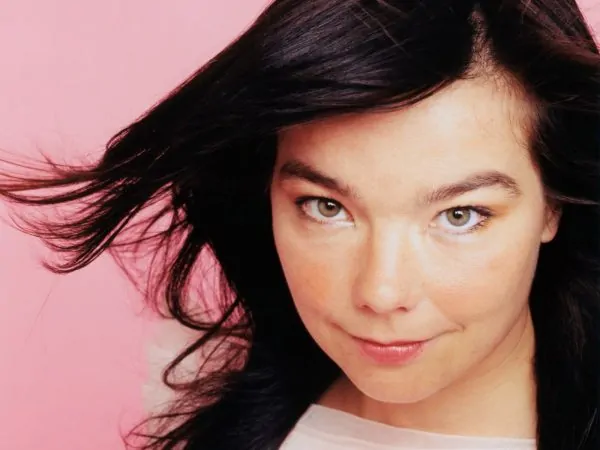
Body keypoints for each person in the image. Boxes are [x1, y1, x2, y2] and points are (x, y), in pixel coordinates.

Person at [1, 0, 600, 449]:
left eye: (459, 215)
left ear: (553, 203)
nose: (381, 292)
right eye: (326, 207)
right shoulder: (220, 411)